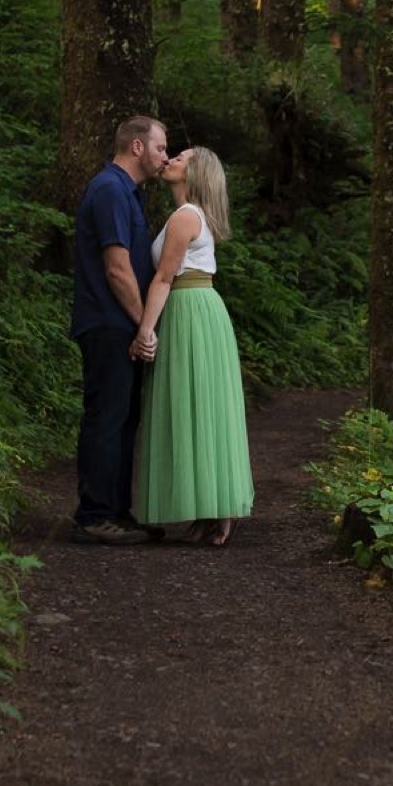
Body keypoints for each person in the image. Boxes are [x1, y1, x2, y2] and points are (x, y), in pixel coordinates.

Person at [132, 147, 254, 546]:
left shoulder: (186, 216)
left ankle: (216, 507)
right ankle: (209, 510)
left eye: (181, 158)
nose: (170, 159)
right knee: (200, 406)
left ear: (195, 173)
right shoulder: (190, 215)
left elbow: (164, 278)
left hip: (190, 309)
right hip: (195, 310)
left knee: (196, 404)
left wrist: (144, 330)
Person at [68, 115, 170, 545]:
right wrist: (143, 324)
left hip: (122, 323)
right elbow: (117, 268)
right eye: (161, 148)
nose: (165, 157)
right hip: (108, 323)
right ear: (137, 147)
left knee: (125, 420)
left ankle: (115, 511)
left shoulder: (128, 193)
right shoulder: (109, 189)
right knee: (107, 418)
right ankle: (93, 516)